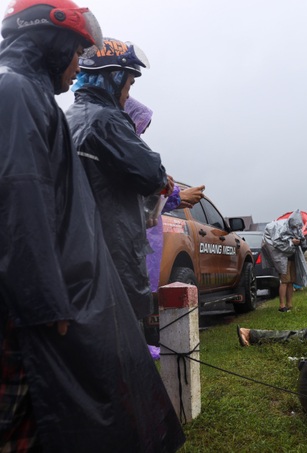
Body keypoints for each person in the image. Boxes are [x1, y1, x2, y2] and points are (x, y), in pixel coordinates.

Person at [0, 1, 184, 450]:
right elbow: (19, 194)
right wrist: (46, 302)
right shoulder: (17, 91)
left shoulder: (39, 99)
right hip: (38, 305)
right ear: (55, 44)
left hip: (60, 289)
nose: (78, 68)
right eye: (78, 53)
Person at [66, 37, 173, 322]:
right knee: (123, 341)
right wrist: (162, 176)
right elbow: (150, 173)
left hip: (81, 252)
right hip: (113, 249)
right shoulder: (106, 119)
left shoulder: (69, 118)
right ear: (113, 78)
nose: (128, 94)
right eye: (128, 84)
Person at [124, 97, 205, 347]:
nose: (143, 130)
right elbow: (138, 199)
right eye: (140, 124)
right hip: (123, 241)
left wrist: (173, 197)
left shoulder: (128, 148)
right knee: (127, 302)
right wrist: (176, 196)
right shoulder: (122, 148)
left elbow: (144, 204)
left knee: (134, 300)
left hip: (131, 240)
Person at [261, 210, 307, 312]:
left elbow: (302, 240)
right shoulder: (280, 228)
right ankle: (282, 305)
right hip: (283, 258)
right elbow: (277, 242)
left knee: (291, 282)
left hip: (292, 257)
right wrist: (291, 242)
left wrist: (300, 242)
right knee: (284, 281)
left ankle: (289, 304)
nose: (295, 228)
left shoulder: (297, 229)